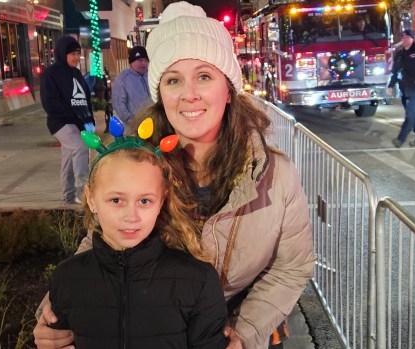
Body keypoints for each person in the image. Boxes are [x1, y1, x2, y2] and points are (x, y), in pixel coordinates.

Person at [34, 2, 315, 349]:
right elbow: (103, 241)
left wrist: (245, 333)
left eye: (204, 76)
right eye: (173, 80)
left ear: (228, 90)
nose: (189, 94)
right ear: (160, 93)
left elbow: (291, 267)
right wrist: (56, 307)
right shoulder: (132, 160)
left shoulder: (276, 175)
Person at [48, 123, 229, 348]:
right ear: (92, 199)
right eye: (116, 200)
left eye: (144, 201)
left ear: (161, 201)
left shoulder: (198, 281)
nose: (131, 216)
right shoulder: (67, 278)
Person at [40, 35, 95, 204]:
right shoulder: (51, 74)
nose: (76, 58)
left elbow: (85, 99)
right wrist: (70, 115)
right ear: (63, 54)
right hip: (60, 122)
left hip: (78, 123)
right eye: (73, 54)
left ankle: (69, 195)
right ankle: (82, 191)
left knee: (69, 157)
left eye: (78, 54)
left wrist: (89, 121)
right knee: (80, 147)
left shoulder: (77, 73)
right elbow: (49, 103)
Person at [111, 46, 153, 132]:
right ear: (132, 62)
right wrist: (133, 122)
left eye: (146, 60)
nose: (144, 63)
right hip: (133, 127)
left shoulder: (151, 75)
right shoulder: (122, 79)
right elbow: (118, 104)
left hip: (153, 123)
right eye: (140, 60)